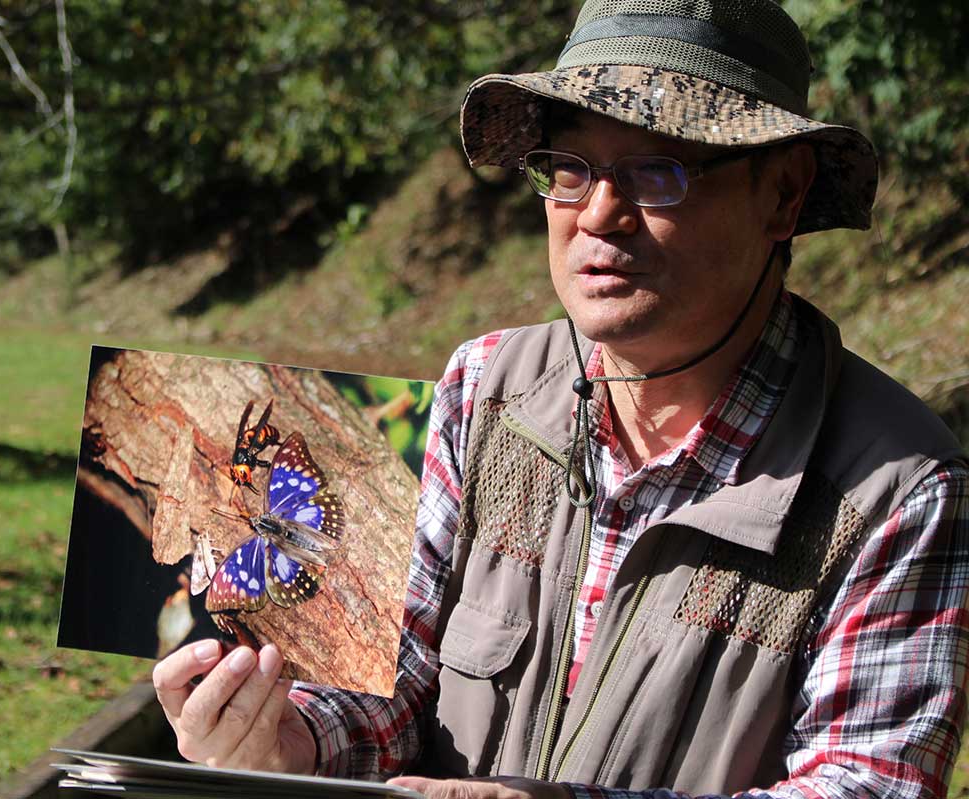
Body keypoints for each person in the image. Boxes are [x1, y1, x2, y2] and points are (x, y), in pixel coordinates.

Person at [152, 1, 969, 797]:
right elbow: (395, 688)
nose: (601, 215)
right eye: (570, 170)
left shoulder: (894, 489)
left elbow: (869, 782)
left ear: (783, 196)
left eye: (660, 172)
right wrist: (288, 737)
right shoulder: (485, 392)